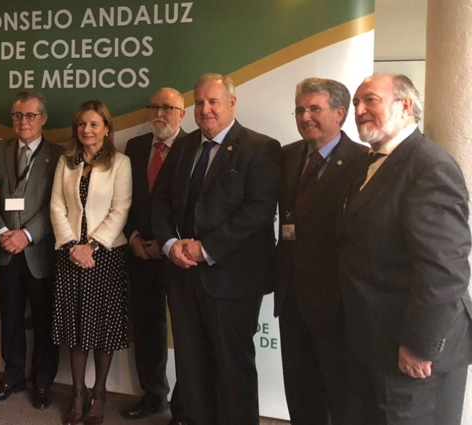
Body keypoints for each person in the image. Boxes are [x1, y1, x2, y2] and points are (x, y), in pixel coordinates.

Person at [338, 74, 472, 425]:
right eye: (355, 103)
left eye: (370, 100)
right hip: (374, 341)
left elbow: (444, 270)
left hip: (412, 354)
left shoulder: (430, 167)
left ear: (406, 105)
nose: (360, 110)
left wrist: (419, 347)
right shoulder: (370, 163)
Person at [151, 74, 281, 425]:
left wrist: (205, 249)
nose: (205, 109)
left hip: (232, 279)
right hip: (182, 275)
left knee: (232, 366)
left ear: (232, 104)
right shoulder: (184, 145)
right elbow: (160, 202)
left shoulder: (261, 147)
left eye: (213, 102)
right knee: (191, 366)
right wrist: (169, 245)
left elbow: (256, 212)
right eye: (199, 102)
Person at [274, 78, 367, 425]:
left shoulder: (362, 161)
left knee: (338, 390)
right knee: (298, 388)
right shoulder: (286, 155)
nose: (305, 116)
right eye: (300, 109)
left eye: (315, 108)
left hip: (336, 298)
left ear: (340, 113)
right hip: (291, 292)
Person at [50, 100, 132, 425]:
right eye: (82, 124)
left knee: (102, 329)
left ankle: (99, 392)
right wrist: (73, 245)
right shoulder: (65, 162)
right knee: (75, 328)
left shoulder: (120, 162)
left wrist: (92, 246)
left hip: (107, 257)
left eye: (94, 124)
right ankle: (77, 393)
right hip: (69, 254)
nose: (87, 130)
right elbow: (56, 205)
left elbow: (121, 209)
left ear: (107, 129)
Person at [0, 91, 64, 409]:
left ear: (43, 119)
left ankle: (43, 381)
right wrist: (4, 231)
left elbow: (57, 205)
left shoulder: (59, 155)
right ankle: (12, 375)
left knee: (45, 321)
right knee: (11, 319)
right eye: (18, 115)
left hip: (38, 252)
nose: (23, 122)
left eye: (30, 115)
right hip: (5, 250)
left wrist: (28, 235)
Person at [121, 88, 187, 425]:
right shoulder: (134, 147)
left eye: (168, 107)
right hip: (140, 253)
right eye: (155, 107)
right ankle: (153, 395)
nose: (159, 113)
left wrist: (166, 243)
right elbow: (125, 199)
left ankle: (185, 407)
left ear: (182, 113)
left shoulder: (194, 147)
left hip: (177, 257)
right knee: (147, 329)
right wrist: (132, 237)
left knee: (187, 335)